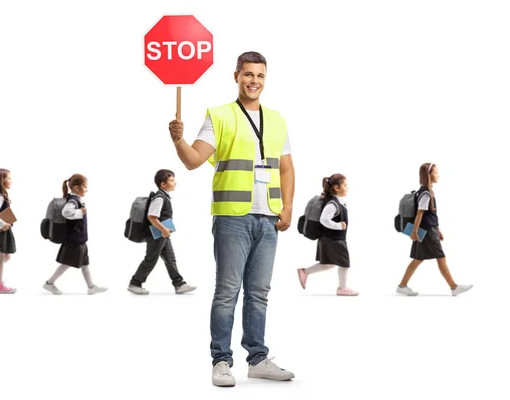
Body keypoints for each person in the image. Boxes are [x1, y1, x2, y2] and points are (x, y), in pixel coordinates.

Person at [169, 51, 295, 386]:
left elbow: (286, 167)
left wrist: (287, 208)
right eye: (248, 74)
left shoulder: (277, 119)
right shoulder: (220, 116)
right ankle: (221, 361)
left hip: (268, 217)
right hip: (231, 218)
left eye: (260, 76)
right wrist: (179, 139)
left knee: (259, 291)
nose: (254, 81)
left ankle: (257, 358)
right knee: (227, 290)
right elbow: (194, 160)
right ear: (236, 76)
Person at [396, 163, 473, 296]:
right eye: (436, 173)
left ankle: (402, 286)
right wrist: (414, 232)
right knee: (440, 257)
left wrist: (438, 230)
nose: (438, 175)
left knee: (418, 259)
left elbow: (428, 215)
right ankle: (454, 287)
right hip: (427, 232)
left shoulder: (424, 191)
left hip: (427, 230)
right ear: (428, 175)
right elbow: (420, 214)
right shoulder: (426, 194)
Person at [127, 169, 196, 295]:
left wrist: (164, 232)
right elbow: (151, 216)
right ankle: (135, 283)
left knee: (170, 259)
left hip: (162, 235)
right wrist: (164, 230)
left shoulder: (164, 197)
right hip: (156, 235)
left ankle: (179, 284)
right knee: (150, 260)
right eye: (172, 180)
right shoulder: (159, 197)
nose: (175, 183)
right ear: (163, 184)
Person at [42, 174, 107, 295]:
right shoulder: (73, 201)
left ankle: (91, 287)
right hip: (74, 240)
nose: (87, 189)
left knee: (85, 264)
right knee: (67, 263)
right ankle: (49, 283)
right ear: (76, 188)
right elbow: (66, 212)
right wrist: (80, 212)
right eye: (85, 187)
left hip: (80, 239)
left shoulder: (75, 199)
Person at [297, 174, 358, 295]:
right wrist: (338, 225)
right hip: (334, 239)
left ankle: (304, 272)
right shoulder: (332, 204)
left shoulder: (338, 201)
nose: (347, 188)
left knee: (328, 264)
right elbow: (324, 219)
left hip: (330, 239)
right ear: (336, 187)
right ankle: (342, 288)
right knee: (344, 263)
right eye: (345, 185)